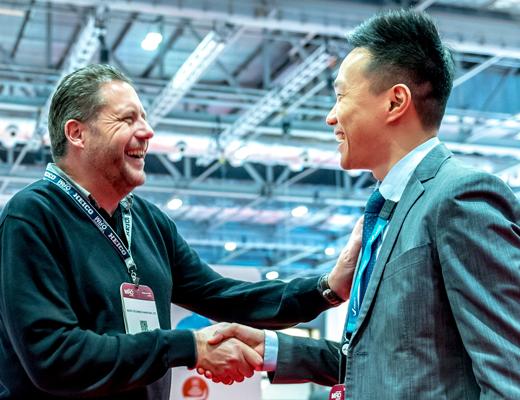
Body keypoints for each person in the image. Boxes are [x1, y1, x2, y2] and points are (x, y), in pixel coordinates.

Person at [205, 9, 520, 399]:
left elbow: (509, 375)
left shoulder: (459, 197)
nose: (330, 117)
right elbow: (384, 362)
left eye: (340, 96)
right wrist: (272, 349)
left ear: (395, 102)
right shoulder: (390, 210)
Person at [0, 64, 364, 399]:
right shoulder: (32, 216)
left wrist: (326, 289)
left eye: (144, 118)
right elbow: (54, 356)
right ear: (77, 133)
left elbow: (225, 296)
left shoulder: (147, 221)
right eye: (127, 119)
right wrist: (189, 346)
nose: (147, 131)